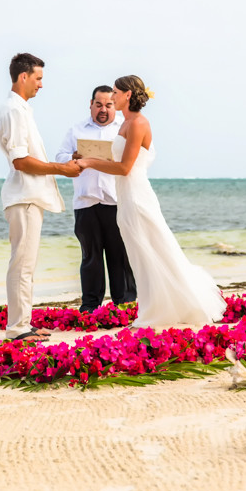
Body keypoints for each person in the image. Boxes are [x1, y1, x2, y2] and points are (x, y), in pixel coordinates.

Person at [76, 75, 226, 328]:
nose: (111, 97)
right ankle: (155, 305)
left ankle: (157, 310)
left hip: (136, 196)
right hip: (125, 196)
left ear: (128, 96)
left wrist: (89, 162)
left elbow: (125, 167)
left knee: (151, 250)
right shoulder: (126, 123)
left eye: (115, 92)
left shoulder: (137, 124)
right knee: (139, 253)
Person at [0, 53, 81, 342]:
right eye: (38, 78)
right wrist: (62, 169)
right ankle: (18, 328)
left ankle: (24, 324)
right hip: (24, 195)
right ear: (23, 77)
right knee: (22, 264)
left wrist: (67, 163)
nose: (41, 85)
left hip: (28, 195)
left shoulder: (21, 109)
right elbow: (20, 160)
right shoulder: (14, 110)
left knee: (26, 264)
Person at [55, 85, 137, 313]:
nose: (103, 109)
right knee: (90, 257)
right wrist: (72, 157)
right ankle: (90, 306)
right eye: (98, 104)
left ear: (115, 106)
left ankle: (125, 304)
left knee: (119, 255)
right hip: (86, 202)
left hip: (116, 202)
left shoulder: (123, 129)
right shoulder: (76, 129)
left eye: (108, 105)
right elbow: (60, 156)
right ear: (90, 104)